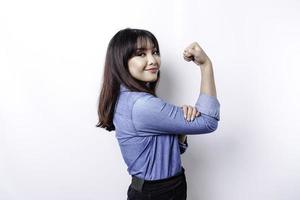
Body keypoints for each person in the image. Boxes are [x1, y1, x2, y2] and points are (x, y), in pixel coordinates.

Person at [96, 28, 220, 200]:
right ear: (121, 61)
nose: (153, 60)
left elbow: (164, 154)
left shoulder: (129, 98)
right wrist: (206, 65)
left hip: (162, 189)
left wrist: (182, 128)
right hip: (157, 193)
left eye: (154, 52)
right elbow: (208, 122)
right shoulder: (141, 105)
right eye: (141, 54)